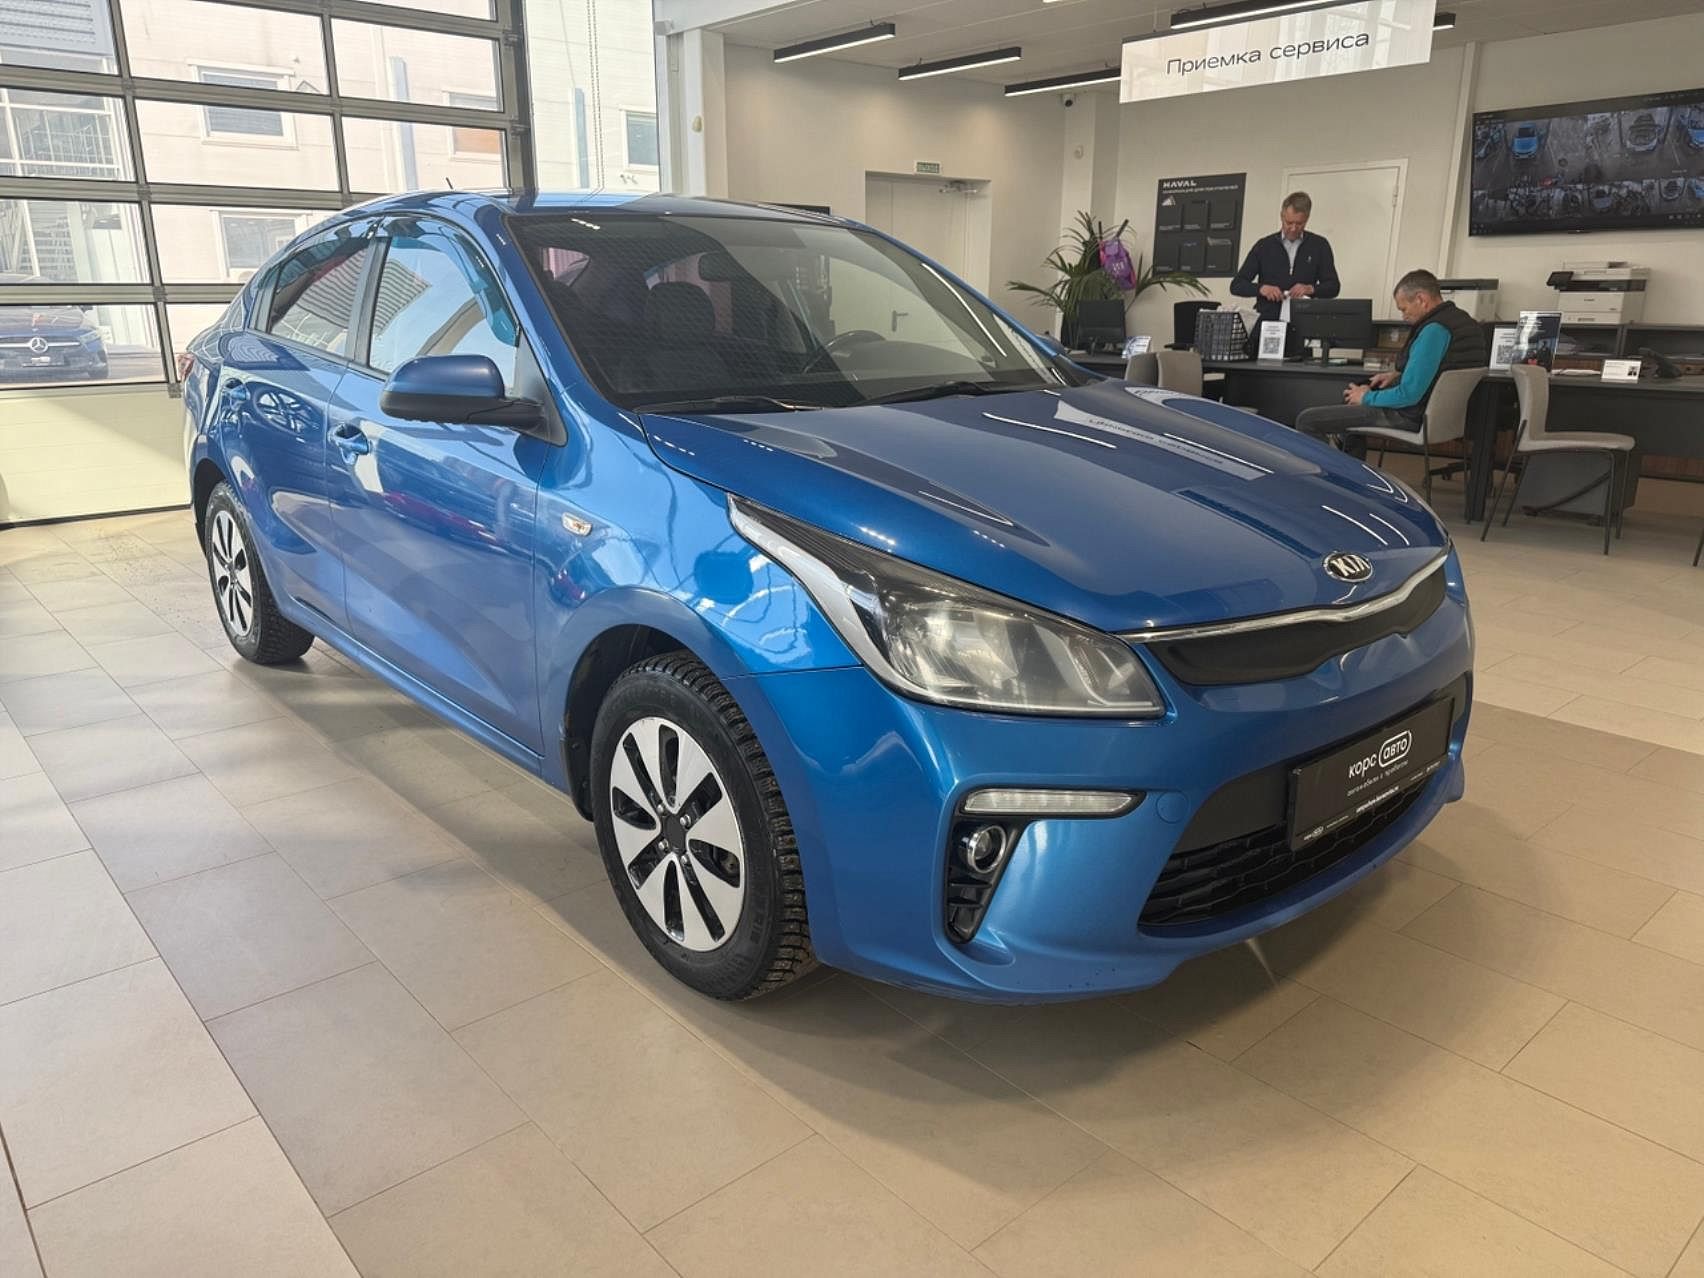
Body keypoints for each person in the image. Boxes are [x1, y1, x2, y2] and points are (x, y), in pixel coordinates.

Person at [1295, 268, 1489, 460]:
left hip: (1409, 415)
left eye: (1404, 309)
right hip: (1443, 417)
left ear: (1421, 299)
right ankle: (1352, 468)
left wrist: (1367, 397)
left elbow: (1409, 394)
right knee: (1349, 408)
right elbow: (1442, 368)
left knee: (1308, 420)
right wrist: (1398, 375)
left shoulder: (1434, 331)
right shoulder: (1465, 323)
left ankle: (1335, 475)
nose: (1404, 317)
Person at [1230, 192, 1341, 332]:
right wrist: (1262, 289)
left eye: (1299, 224)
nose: (1293, 228)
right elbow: (1237, 285)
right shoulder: (1264, 246)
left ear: (1307, 219)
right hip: (1268, 325)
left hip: (1303, 325)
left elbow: (1333, 287)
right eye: (1289, 223)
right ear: (1282, 216)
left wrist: (1310, 289)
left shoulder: (1319, 245)